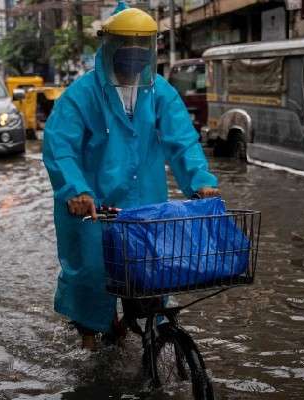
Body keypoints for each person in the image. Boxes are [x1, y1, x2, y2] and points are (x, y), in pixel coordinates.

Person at [43, 3, 220, 350]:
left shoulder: (159, 92)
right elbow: (60, 147)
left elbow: (182, 140)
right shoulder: (81, 95)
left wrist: (200, 180)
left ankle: (143, 334)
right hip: (93, 208)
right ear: (109, 47)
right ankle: (90, 341)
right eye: (127, 47)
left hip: (145, 207)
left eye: (142, 48)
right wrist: (75, 190)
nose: (134, 57)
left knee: (151, 278)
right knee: (93, 278)